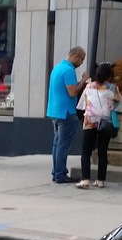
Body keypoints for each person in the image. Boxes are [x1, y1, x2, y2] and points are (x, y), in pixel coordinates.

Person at [46, 46, 90, 184]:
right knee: (63, 144)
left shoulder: (58, 68)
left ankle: (56, 172)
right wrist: (84, 80)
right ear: (75, 56)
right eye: (81, 59)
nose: (82, 62)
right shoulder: (68, 70)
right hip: (66, 112)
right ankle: (60, 174)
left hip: (55, 111)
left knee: (57, 143)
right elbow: (72, 92)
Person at [75, 63, 121, 189]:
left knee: (86, 151)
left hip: (90, 121)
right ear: (109, 76)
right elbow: (119, 103)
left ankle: (85, 180)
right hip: (105, 122)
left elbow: (82, 105)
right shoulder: (112, 88)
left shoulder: (89, 86)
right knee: (102, 151)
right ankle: (100, 180)